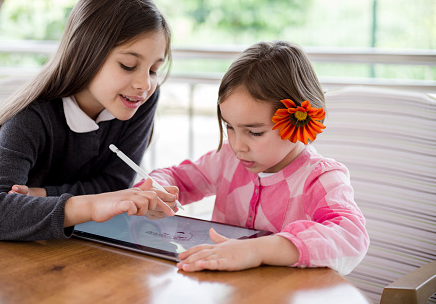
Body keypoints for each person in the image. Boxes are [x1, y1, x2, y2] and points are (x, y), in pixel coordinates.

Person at [138, 41, 370, 275]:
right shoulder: (226, 159)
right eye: (230, 127)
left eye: (255, 132)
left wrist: (258, 250)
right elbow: (175, 177)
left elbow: (352, 236)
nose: (238, 146)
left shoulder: (320, 178)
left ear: (298, 120)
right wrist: (155, 190)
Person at [0, 0, 177, 242]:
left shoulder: (140, 100)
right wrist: (91, 206)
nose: (145, 84)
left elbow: (114, 185)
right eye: (128, 65)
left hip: (94, 249)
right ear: (86, 53)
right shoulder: (31, 117)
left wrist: (40, 194)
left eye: (154, 70)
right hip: (29, 255)